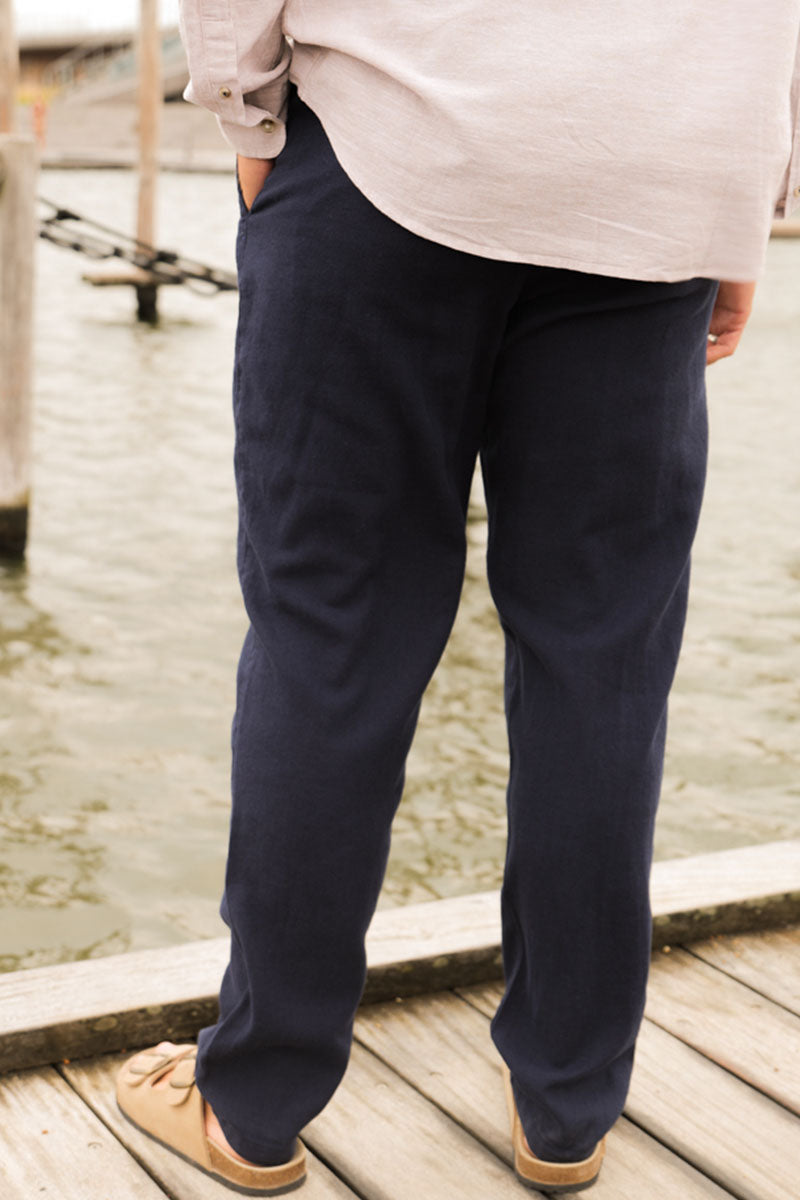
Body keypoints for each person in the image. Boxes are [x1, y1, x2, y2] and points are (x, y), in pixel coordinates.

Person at [116, 4, 800, 1194]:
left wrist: (247, 113)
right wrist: (740, 193)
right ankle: (566, 1108)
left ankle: (255, 1102)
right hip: (657, 180)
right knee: (599, 662)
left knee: (329, 639)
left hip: (386, 141)